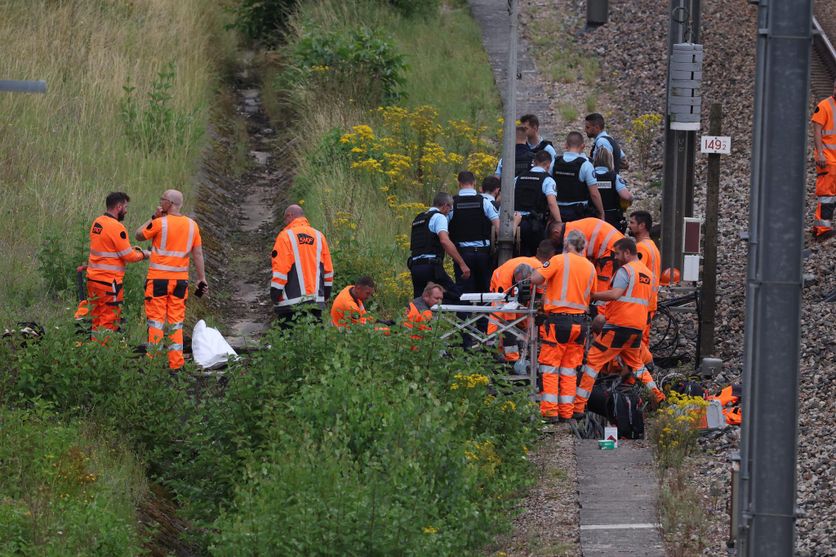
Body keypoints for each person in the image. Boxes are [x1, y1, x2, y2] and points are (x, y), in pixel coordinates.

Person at [573, 238, 664, 415]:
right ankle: (658, 397)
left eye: (617, 253)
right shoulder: (647, 274)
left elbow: (615, 294)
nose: (615, 257)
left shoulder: (626, 271)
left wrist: (592, 295)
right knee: (637, 365)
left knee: (593, 360)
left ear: (627, 252)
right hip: (637, 327)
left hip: (619, 326)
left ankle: (578, 406)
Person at [135, 189, 207, 370]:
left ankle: (154, 363)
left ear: (170, 203)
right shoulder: (192, 226)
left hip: (158, 280)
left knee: (156, 322)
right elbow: (197, 253)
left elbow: (139, 235)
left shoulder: (160, 223)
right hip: (180, 282)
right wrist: (201, 278)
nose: (160, 201)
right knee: (176, 323)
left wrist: (154, 216)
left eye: (163, 199)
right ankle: (176, 364)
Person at [530, 230, 596, 421]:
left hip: (559, 321)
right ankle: (567, 412)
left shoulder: (559, 260)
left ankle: (550, 412)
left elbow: (536, 279)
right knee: (569, 369)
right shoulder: (590, 267)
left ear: (567, 244)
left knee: (550, 367)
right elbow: (593, 294)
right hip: (581, 324)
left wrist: (539, 269)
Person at [84, 192, 149, 342]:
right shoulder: (117, 227)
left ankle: (93, 350)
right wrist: (144, 254)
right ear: (118, 206)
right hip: (109, 283)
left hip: (93, 280)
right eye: (125, 207)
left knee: (96, 318)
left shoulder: (97, 223)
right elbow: (129, 256)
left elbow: (110, 249)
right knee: (109, 320)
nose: (126, 210)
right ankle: (103, 355)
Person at [489, 240, 556, 362]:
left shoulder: (540, 272)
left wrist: (539, 313)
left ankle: (524, 347)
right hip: (501, 287)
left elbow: (540, 296)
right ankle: (496, 348)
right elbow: (506, 310)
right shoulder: (505, 278)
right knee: (503, 318)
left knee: (526, 317)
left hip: (524, 282)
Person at [270, 204, 334, 326]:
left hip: (290, 304)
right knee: (314, 339)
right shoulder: (319, 236)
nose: (285, 223)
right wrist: (325, 294)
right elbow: (328, 270)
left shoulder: (285, 236)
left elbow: (281, 270)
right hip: (316, 302)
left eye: (285, 219)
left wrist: (275, 294)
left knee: (289, 341)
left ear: (290, 216)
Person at [409, 192, 468, 300]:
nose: (448, 213)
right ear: (445, 206)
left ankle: (421, 317)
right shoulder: (439, 217)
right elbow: (445, 241)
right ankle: (466, 317)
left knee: (421, 301)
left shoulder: (419, 219)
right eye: (450, 210)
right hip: (431, 267)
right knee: (456, 297)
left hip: (415, 267)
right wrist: (462, 264)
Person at [449, 171, 500, 295]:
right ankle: (484, 314)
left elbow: (444, 231)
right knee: (485, 291)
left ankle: (465, 314)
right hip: (483, 253)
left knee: (464, 292)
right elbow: (498, 226)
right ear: (474, 183)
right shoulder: (484, 202)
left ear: (459, 183)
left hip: (462, 254)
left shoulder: (452, 204)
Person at [555, 217, 625, 295]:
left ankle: (599, 307)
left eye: (555, 241)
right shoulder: (575, 226)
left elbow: (576, 261)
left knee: (601, 290)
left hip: (611, 251)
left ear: (556, 232)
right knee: (605, 288)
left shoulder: (570, 234)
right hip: (615, 247)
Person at [515, 151, 562, 256]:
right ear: (548, 164)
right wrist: (559, 223)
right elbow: (551, 203)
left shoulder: (518, 178)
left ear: (534, 162)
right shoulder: (548, 180)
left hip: (517, 224)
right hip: (536, 226)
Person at [629, 211, 661, 365]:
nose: (629, 225)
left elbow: (637, 275)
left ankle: (640, 373)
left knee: (636, 344)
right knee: (643, 341)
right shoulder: (652, 246)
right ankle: (641, 375)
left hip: (642, 303)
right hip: (650, 302)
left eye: (632, 223)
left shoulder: (641, 248)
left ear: (642, 226)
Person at [553, 131, 604, 222]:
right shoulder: (586, 165)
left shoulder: (555, 162)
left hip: (557, 211)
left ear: (565, 145)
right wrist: (601, 212)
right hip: (578, 214)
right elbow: (594, 194)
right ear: (583, 146)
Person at [811, 79, 836, 240]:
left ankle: (820, 227)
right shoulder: (824, 106)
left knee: (831, 195)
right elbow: (817, 132)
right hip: (827, 159)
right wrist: (820, 154)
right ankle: (822, 229)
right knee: (827, 195)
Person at [593, 148, 633, 232]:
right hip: (612, 217)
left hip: (592, 216)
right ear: (610, 160)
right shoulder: (614, 177)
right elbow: (626, 196)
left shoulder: (590, 175)